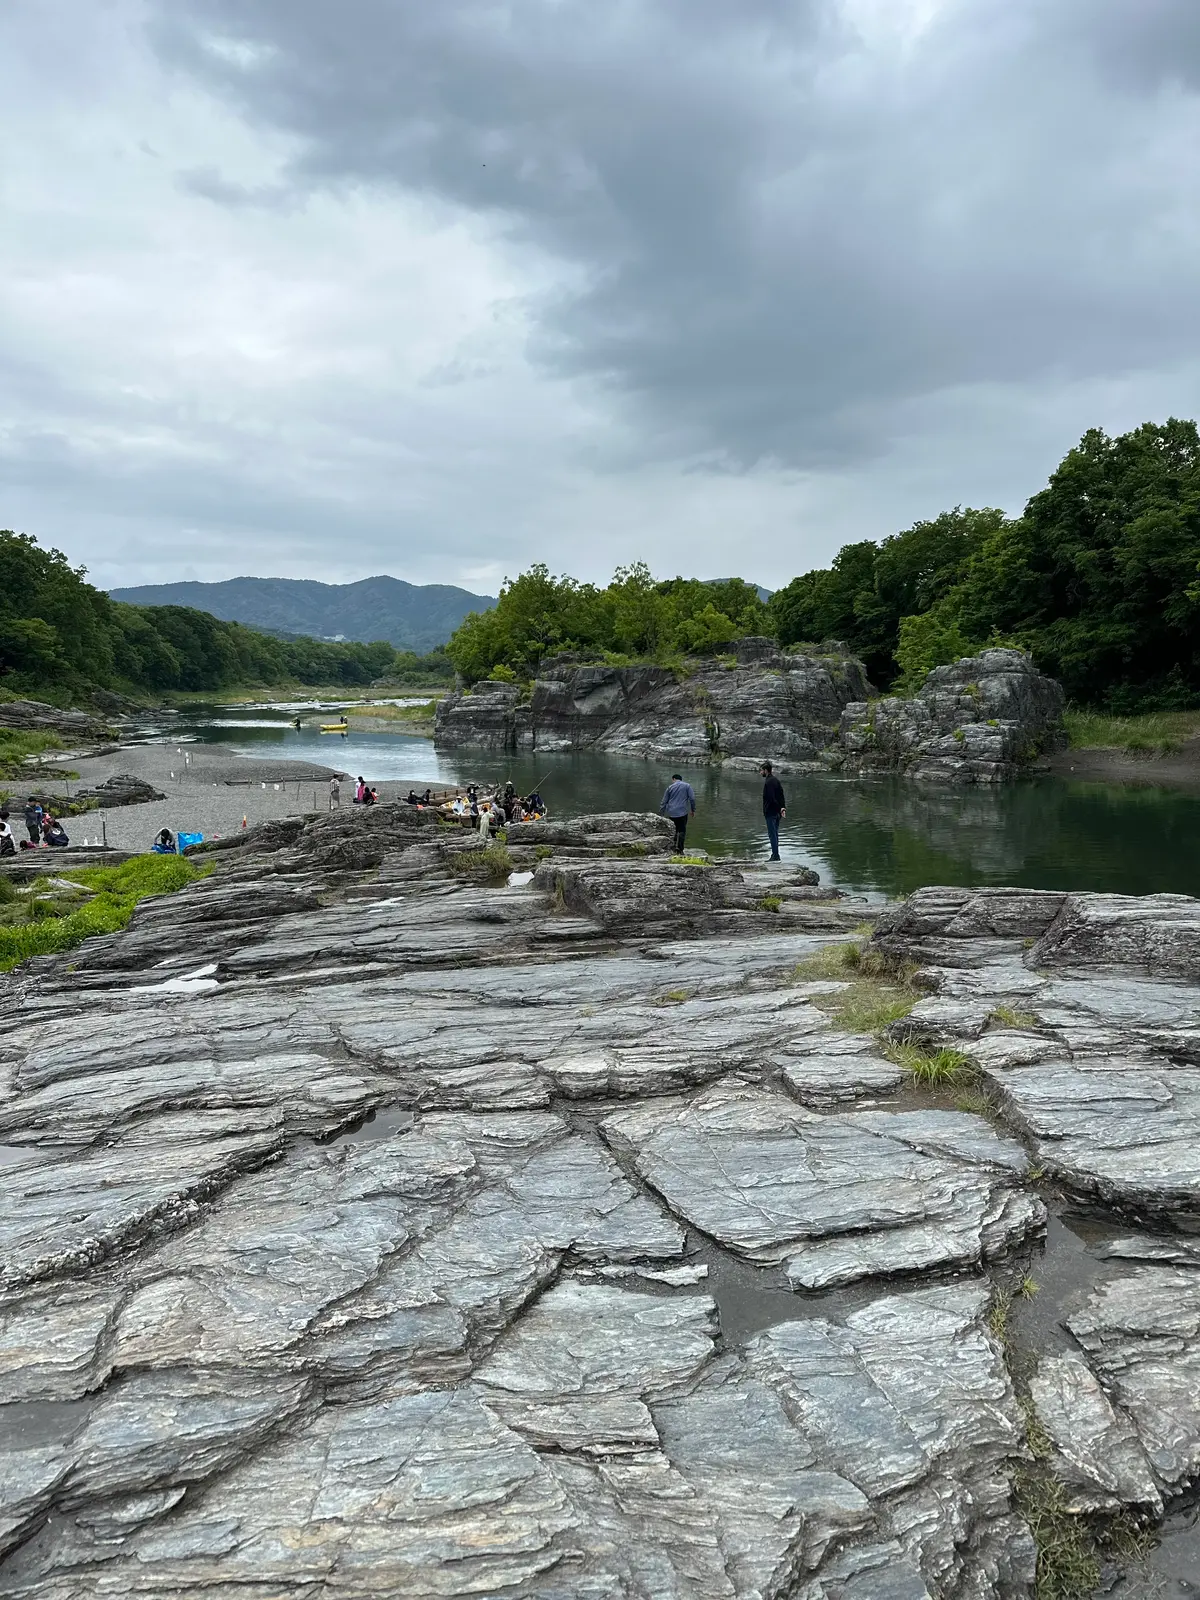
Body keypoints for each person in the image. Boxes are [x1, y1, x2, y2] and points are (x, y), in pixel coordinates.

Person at [659, 773, 697, 853]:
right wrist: (693, 810)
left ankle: (672, 847)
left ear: (673, 779)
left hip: (672, 813)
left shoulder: (670, 787)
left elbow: (664, 802)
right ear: (681, 779)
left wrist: (661, 814)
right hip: (682, 812)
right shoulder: (687, 786)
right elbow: (692, 799)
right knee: (682, 830)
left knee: (673, 830)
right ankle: (680, 849)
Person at [760, 760, 786, 861]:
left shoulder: (769, 782)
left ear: (766, 771)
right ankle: (776, 854)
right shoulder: (776, 780)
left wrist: (777, 808)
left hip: (771, 812)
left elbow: (771, 798)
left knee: (772, 835)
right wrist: (782, 808)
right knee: (775, 833)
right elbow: (781, 795)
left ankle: (775, 856)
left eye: (761, 771)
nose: (760, 773)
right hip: (777, 812)